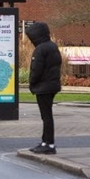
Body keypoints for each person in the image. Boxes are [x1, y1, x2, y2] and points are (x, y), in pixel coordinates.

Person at [25, 22, 62, 155]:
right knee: (47, 116)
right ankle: (45, 142)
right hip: (52, 85)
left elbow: (36, 70)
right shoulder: (53, 46)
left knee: (46, 117)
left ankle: (49, 144)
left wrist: (32, 84)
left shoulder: (40, 49)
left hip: (43, 87)